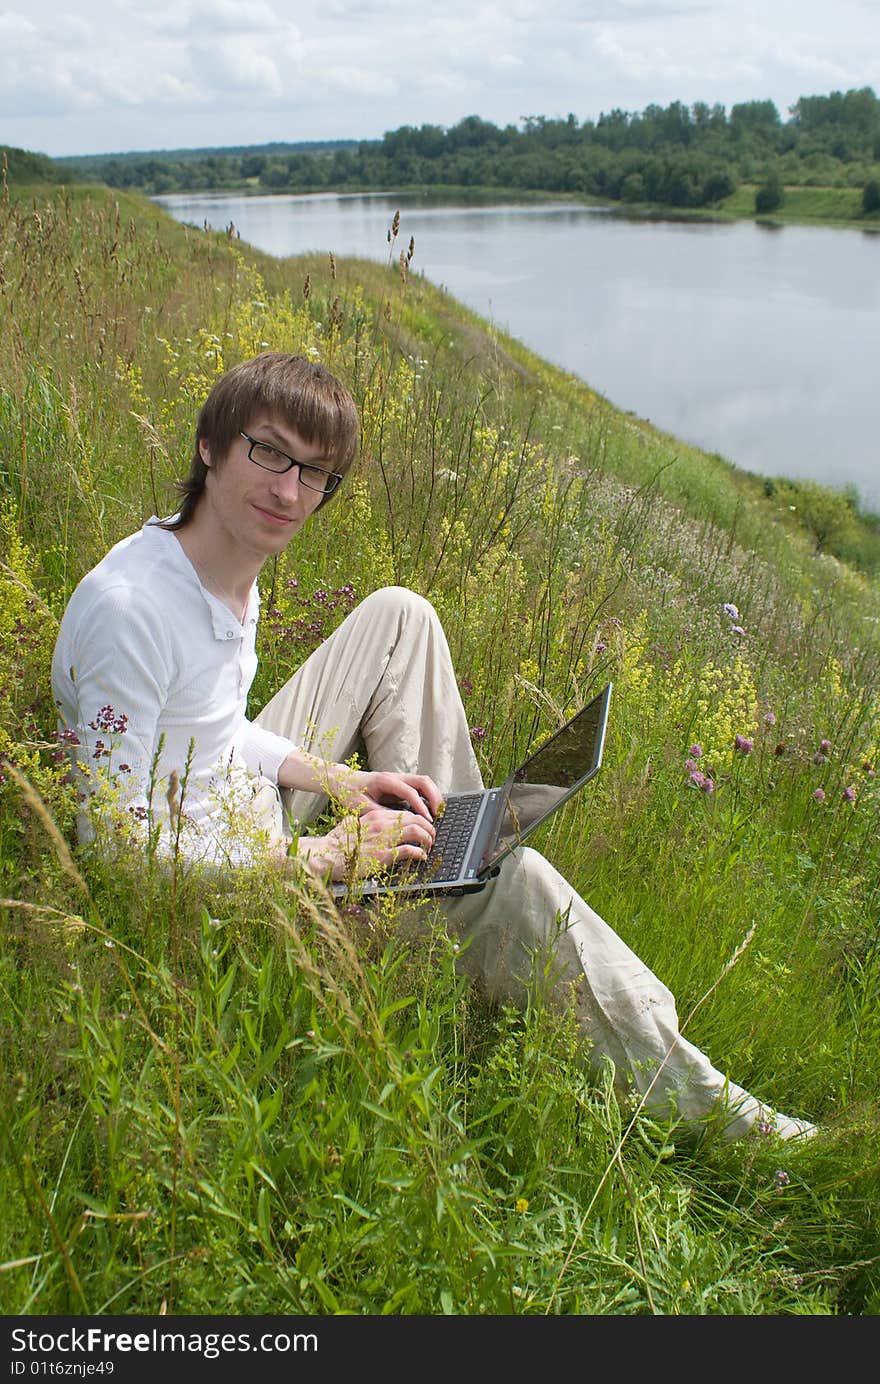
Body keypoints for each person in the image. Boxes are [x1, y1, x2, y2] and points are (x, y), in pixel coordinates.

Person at [51, 351, 817, 1148]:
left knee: (400, 615)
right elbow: (113, 850)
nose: (288, 491)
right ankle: (718, 1119)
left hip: (240, 810)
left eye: (315, 473)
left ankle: (444, 858)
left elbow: (213, 727)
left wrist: (344, 780)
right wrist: (324, 857)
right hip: (233, 898)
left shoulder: (218, 568)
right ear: (210, 445)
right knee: (520, 885)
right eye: (269, 451)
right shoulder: (133, 616)